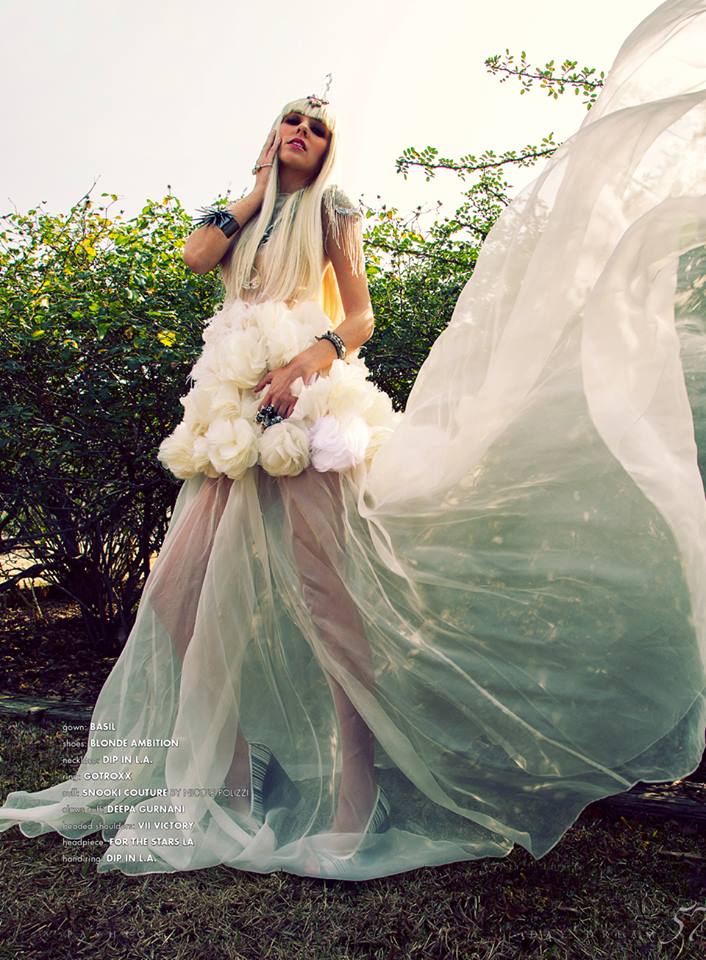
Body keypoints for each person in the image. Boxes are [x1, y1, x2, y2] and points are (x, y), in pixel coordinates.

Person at [1, 0, 705, 883]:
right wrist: (257, 187)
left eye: (316, 127)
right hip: (227, 409)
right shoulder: (244, 214)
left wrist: (312, 356)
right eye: (290, 121)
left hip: (303, 401)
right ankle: (231, 769)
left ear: (330, 149)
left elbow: (361, 312)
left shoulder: (333, 207)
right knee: (178, 596)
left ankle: (357, 789)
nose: (301, 131)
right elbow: (194, 257)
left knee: (325, 595)